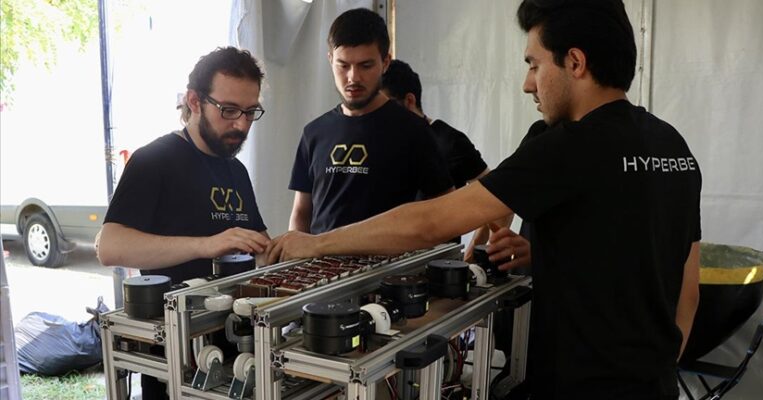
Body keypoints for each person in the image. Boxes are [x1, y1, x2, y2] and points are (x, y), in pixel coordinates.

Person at [267, 1, 701, 399]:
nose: (528, 84)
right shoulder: (672, 146)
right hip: (655, 386)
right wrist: (546, 254)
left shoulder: (570, 145)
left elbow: (431, 222)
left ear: (575, 62)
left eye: (534, 64)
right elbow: (685, 285)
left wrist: (317, 243)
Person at [96, 46, 271, 399]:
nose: (241, 124)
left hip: (236, 349)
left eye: (251, 112)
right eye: (229, 110)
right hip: (174, 358)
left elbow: (257, 243)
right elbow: (109, 246)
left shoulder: (236, 170)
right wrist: (206, 245)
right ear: (194, 101)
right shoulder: (154, 161)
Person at [287, 8, 453, 235]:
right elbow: (301, 212)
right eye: (343, 65)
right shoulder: (314, 133)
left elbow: (444, 209)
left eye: (365, 66)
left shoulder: (413, 131)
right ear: (330, 60)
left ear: (385, 62)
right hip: (320, 258)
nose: (353, 77)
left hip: (390, 258)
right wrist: (296, 253)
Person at [380, 59, 512, 259]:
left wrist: (474, 253)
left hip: (438, 265)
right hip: (389, 261)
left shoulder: (449, 141)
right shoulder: (381, 143)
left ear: (409, 100)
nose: (381, 117)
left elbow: (499, 200)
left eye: (386, 108)